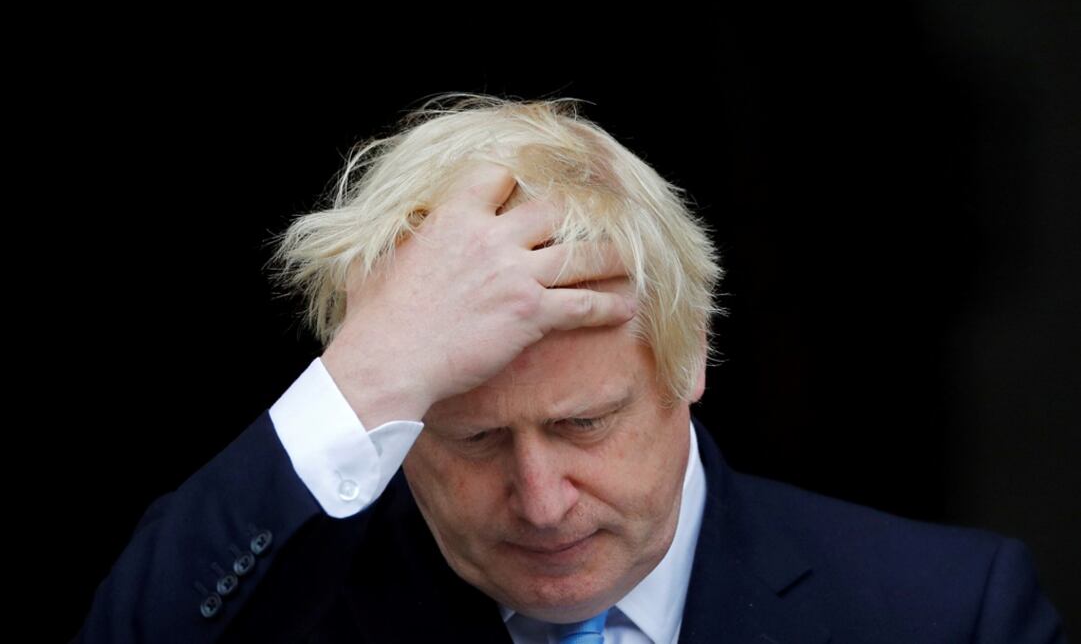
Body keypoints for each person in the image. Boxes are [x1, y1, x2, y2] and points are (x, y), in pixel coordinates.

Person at [73, 93, 1068, 643]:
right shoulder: (309, 615)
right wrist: (368, 371)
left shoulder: (944, 613)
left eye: (584, 423)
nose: (542, 502)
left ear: (690, 367)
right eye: (471, 438)